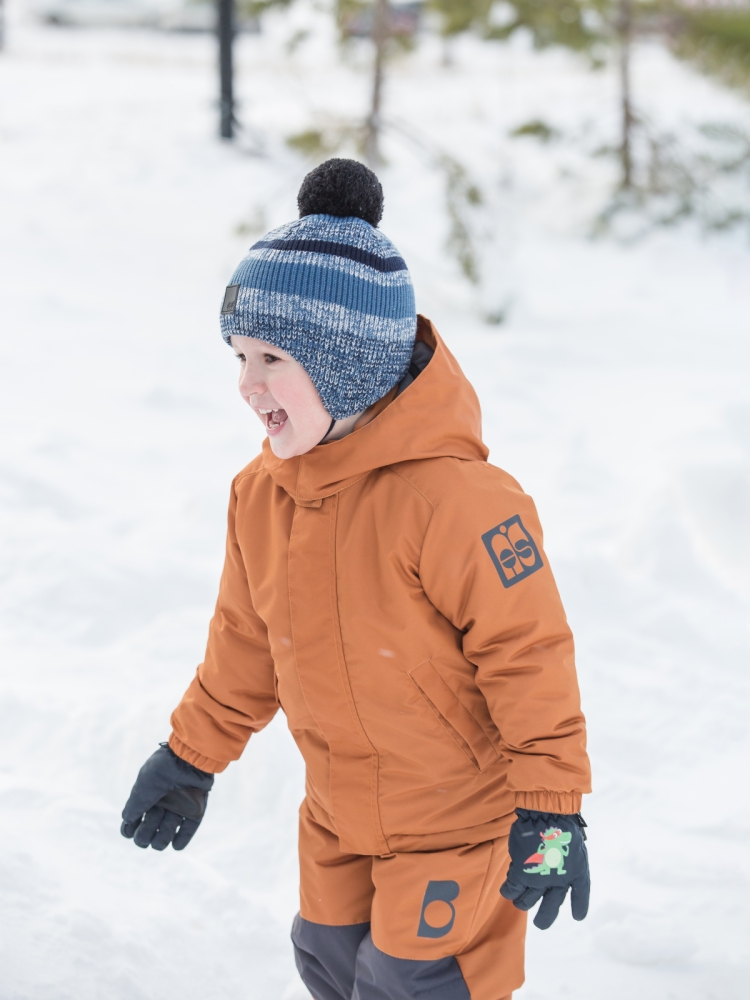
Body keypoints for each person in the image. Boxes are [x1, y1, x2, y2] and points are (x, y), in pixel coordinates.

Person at [121, 158, 592, 1000]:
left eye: (271, 358)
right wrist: (191, 756)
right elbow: (244, 645)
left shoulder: (458, 502)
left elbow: (530, 655)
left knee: (416, 982)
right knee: (328, 960)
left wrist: (552, 811)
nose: (247, 385)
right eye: (239, 356)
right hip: (339, 817)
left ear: (348, 365)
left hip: (456, 823)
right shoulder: (263, 494)